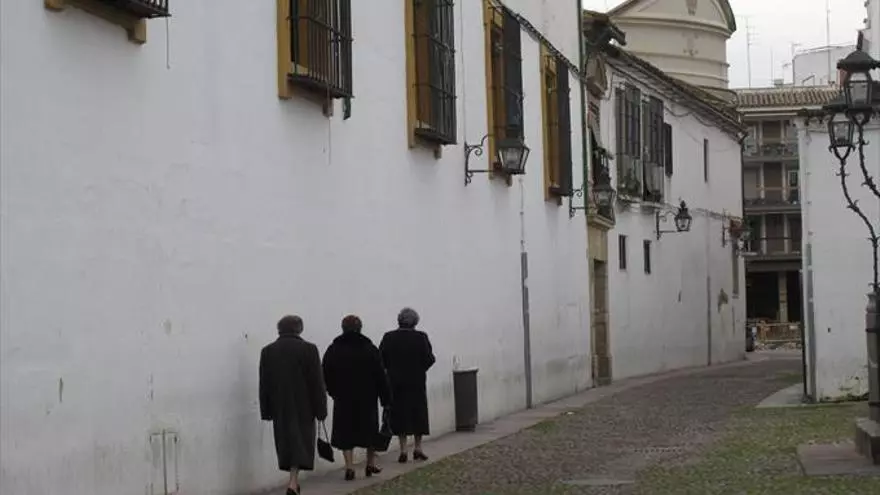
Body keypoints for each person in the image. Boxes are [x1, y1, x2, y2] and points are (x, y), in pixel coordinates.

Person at [259, 315, 327, 495]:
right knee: (300, 442)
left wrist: (266, 410)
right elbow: (316, 382)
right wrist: (321, 409)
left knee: (287, 443)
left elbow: (264, 383)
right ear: (299, 329)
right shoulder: (309, 349)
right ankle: (292, 482)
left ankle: (293, 482)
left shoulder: (268, 351)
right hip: (304, 405)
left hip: (279, 406)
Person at [322, 315, 391, 481]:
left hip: (343, 397)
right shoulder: (370, 349)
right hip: (367, 397)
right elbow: (380, 375)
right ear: (360, 328)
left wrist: (332, 392)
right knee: (370, 431)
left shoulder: (334, 349)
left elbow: (325, 373)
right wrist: (386, 398)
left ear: (343, 328)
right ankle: (370, 463)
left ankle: (349, 466)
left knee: (345, 432)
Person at [379, 307, 436, 463]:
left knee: (400, 414)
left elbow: (381, 359)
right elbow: (430, 359)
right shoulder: (421, 337)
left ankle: (403, 449)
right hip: (416, 382)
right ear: (415, 322)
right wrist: (419, 369)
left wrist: (390, 371)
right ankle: (418, 448)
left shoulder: (389, 337)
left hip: (396, 383)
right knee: (418, 414)